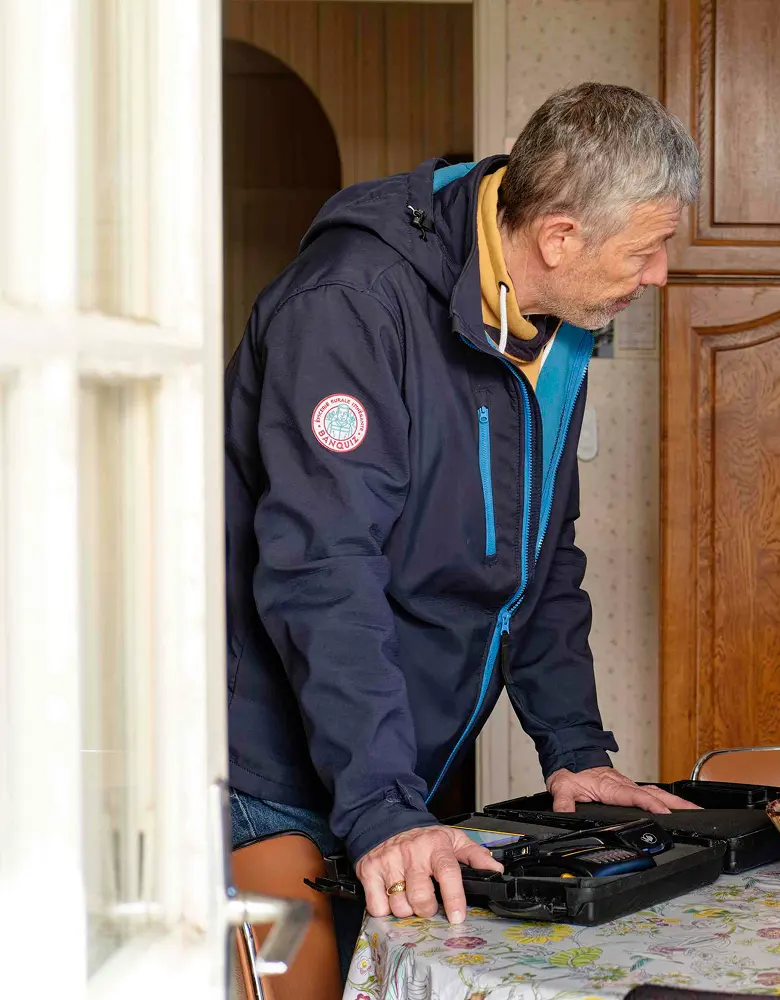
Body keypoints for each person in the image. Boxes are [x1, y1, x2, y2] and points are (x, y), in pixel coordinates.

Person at [223, 83, 700, 944]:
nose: (661, 275)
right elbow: (325, 570)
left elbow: (542, 557)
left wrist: (576, 750)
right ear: (559, 237)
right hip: (275, 773)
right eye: (648, 251)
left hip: (395, 765)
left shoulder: (554, 323)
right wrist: (383, 805)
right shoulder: (348, 307)